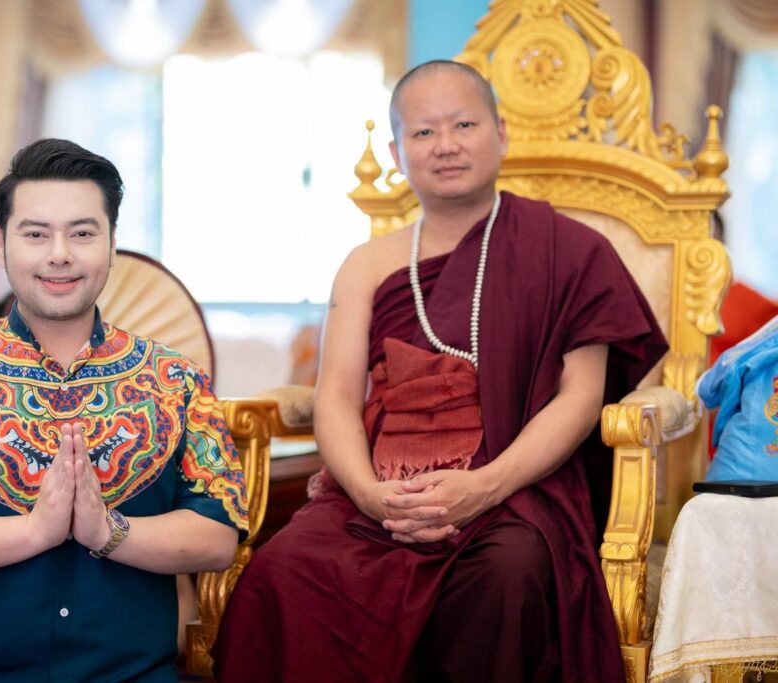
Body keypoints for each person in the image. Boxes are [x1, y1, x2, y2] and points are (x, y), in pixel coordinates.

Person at [212, 61, 668, 682]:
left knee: (508, 575)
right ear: (397, 153)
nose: (446, 144)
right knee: (282, 570)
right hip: (380, 493)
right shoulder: (367, 264)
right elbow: (337, 398)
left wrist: (487, 485)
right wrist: (369, 496)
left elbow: (580, 397)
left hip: (513, 489)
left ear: (501, 134)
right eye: (424, 132)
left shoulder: (570, 250)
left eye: (464, 124)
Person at [0, 139, 248, 683]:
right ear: (1, 242)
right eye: (35, 234)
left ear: (112, 244)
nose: (59, 253)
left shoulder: (176, 381)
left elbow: (218, 536)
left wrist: (108, 531)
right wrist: (35, 532)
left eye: (82, 233)